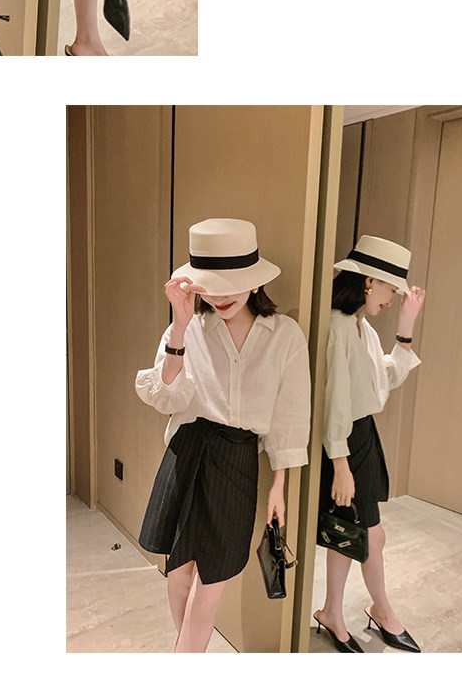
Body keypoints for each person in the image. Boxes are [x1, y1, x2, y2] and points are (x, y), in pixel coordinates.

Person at [136, 214, 311, 654]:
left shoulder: (284, 336)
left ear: (255, 280)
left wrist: (279, 485)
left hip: (237, 460)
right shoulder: (188, 330)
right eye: (209, 286)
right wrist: (179, 327)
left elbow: (290, 416)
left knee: (213, 580)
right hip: (188, 451)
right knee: (179, 571)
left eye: (232, 283)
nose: (219, 296)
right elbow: (166, 396)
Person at [315, 232, 426, 652]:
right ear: (368, 281)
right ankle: (379, 610)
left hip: (360, 436)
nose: (393, 298)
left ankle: (337, 611)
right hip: (345, 440)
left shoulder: (360, 327)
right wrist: (340, 464)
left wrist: (406, 328)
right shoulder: (339, 327)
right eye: (391, 289)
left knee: (354, 533)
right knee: (367, 534)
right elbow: (336, 401)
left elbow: (382, 381)